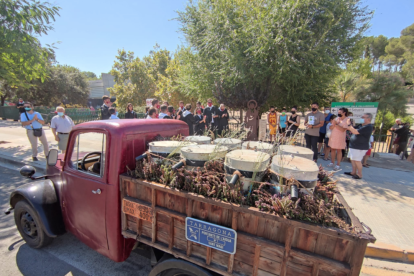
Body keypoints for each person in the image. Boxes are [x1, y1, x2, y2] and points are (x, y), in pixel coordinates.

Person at [345, 113, 374, 179]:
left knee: (357, 160)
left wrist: (349, 125)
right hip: (354, 146)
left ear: (368, 119)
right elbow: (351, 128)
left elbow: (355, 132)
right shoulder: (361, 125)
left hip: (360, 147)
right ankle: (353, 172)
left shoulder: (368, 127)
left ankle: (359, 174)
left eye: (363, 117)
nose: (361, 118)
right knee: (353, 159)